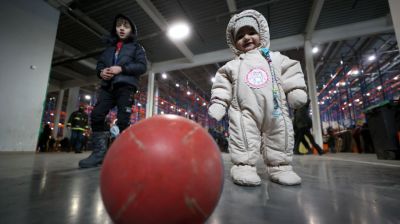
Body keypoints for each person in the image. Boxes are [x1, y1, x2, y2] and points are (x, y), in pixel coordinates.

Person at [208, 10, 308, 186]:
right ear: (234, 42)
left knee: (280, 136)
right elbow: (222, 85)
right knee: (243, 137)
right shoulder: (232, 66)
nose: (247, 38)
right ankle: (243, 166)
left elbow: (291, 70)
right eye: (240, 35)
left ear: (261, 34)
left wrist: (295, 89)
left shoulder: (275, 59)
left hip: (276, 109)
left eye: (252, 32)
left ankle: (280, 167)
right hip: (244, 112)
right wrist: (219, 102)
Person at [79, 14, 147, 168]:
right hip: (108, 87)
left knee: (123, 120)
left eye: (126, 25)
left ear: (132, 29)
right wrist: (101, 72)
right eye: (119, 25)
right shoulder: (109, 49)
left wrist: (121, 68)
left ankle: (122, 154)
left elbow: (142, 67)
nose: (122, 28)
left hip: (126, 86)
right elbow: (100, 65)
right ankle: (99, 154)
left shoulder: (137, 47)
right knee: (96, 115)